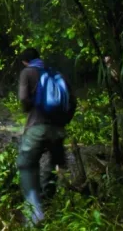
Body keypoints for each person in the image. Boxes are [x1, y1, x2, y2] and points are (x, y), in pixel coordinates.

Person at [17, 48, 76, 226]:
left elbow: (23, 99)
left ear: (25, 61)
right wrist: (63, 121)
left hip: (37, 127)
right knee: (52, 164)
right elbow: (73, 102)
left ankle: (35, 212)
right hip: (58, 129)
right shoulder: (56, 74)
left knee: (26, 164)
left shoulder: (27, 72)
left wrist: (30, 109)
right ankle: (48, 204)